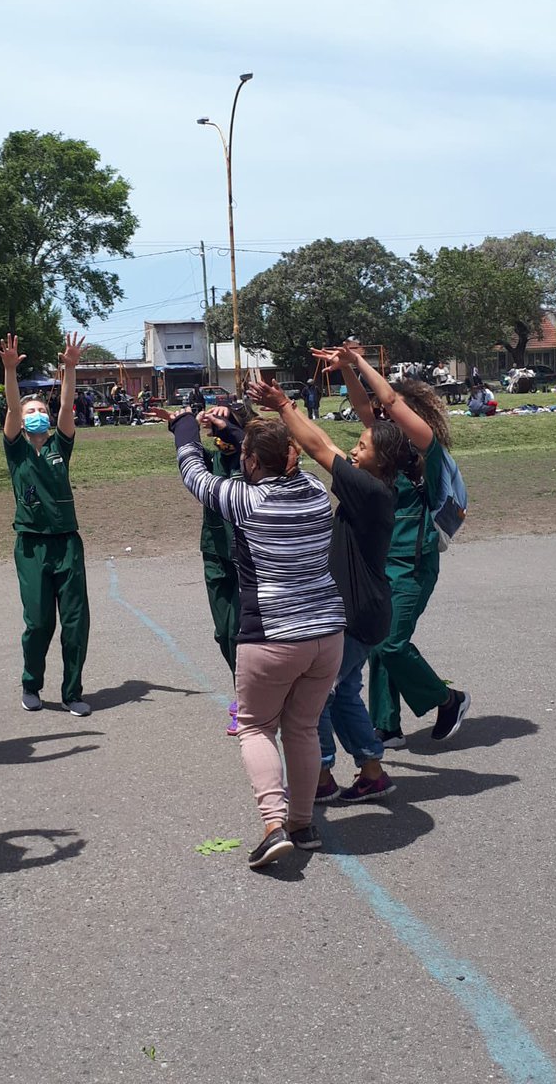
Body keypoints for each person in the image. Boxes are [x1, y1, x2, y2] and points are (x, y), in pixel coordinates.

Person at [158, 403, 346, 871]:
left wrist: (184, 426)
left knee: (255, 727)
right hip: (326, 634)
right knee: (301, 728)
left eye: (244, 453)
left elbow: (194, 475)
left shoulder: (247, 499)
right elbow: (271, 456)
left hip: (272, 636)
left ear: (251, 462)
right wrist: (238, 431)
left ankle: (273, 825)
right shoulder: (316, 491)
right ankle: (303, 825)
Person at [247, 362, 398, 808]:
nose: (354, 451)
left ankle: (322, 774)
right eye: (357, 442)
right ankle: (371, 771)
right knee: (344, 689)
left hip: (354, 615)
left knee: (317, 695)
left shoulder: (370, 490)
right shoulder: (374, 488)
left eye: (363, 446)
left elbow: (320, 446)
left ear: (382, 461)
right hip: (368, 612)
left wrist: (283, 405)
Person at [324, 349, 470, 749]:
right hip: (381, 563)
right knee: (376, 643)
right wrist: (349, 372)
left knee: (390, 642)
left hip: (414, 565)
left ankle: (448, 699)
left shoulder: (428, 452)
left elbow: (387, 400)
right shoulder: (388, 451)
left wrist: (358, 360)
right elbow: (365, 406)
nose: (384, 416)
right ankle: (386, 725)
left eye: (394, 412)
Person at [0, 332, 93, 717]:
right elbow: (10, 405)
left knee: (75, 623)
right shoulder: (16, 448)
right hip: (32, 546)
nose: (36, 413)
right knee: (38, 623)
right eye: (29, 410)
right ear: (21, 420)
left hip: (67, 543)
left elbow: (67, 404)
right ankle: (30, 684)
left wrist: (69, 367)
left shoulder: (59, 445)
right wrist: (9, 370)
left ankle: (72, 692)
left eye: (41, 408)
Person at [191, 402, 250, 734]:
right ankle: (244, 692)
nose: (218, 428)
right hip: (214, 552)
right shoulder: (209, 459)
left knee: (245, 632)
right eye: (214, 423)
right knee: (223, 633)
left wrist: (232, 425)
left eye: (224, 419)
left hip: (247, 554)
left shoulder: (251, 456)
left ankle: (248, 700)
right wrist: (188, 420)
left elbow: (249, 440)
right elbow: (187, 452)